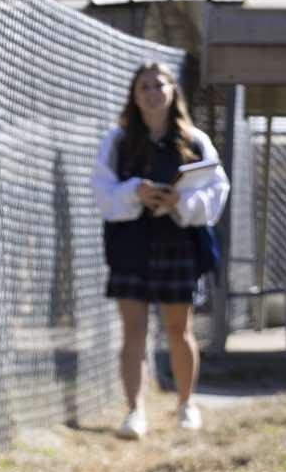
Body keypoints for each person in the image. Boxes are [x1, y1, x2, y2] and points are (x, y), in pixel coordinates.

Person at [91, 62, 229, 440]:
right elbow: (103, 193)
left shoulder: (194, 139)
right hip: (131, 244)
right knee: (132, 329)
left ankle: (186, 404)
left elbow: (216, 190)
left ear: (172, 91)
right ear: (134, 97)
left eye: (159, 85)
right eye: (144, 87)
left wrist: (179, 202)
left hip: (177, 244)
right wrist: (135, 191)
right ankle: (134, 411)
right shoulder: (117, 141)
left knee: (177, 328)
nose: (152, 92)